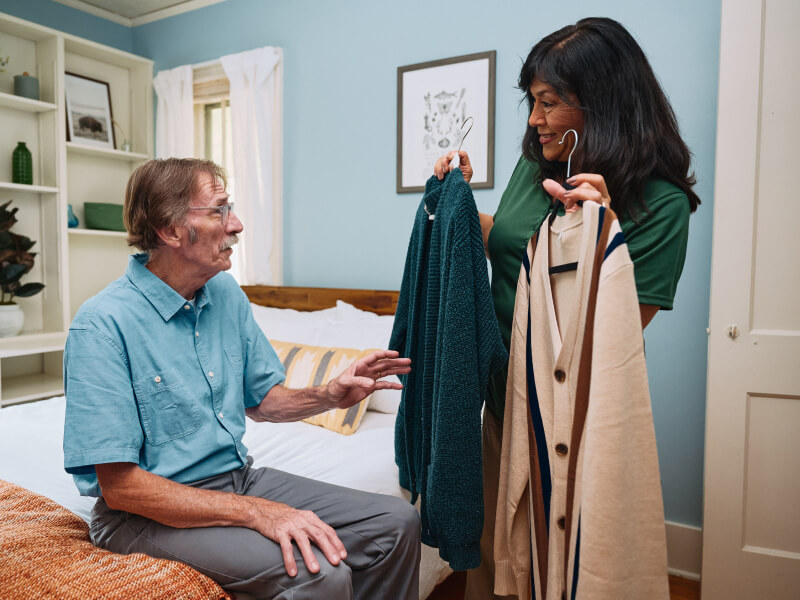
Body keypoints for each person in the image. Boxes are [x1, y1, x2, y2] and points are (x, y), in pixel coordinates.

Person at [62, 158, 421, 600]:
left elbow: (263, 400)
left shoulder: (226, 294)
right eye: (218, 210)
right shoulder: (101, 325)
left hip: (236, 477)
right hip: (143, 515)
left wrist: (330, 394)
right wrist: (256, 513)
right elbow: (120, 488)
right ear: (170, 230)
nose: (237, 224)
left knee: (398, 523)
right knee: (318, 573)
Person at [434, 17, 700, 599]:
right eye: (533, 101)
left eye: (549, 103)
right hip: (501, 399)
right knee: (491, 563)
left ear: (602, 104)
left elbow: (612, 332)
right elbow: (510, 241)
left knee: (562, 568)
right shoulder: (537, 168)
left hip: (571, 422)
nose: (534, 120)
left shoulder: (661, 206)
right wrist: (455, 206)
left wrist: (596, 236)